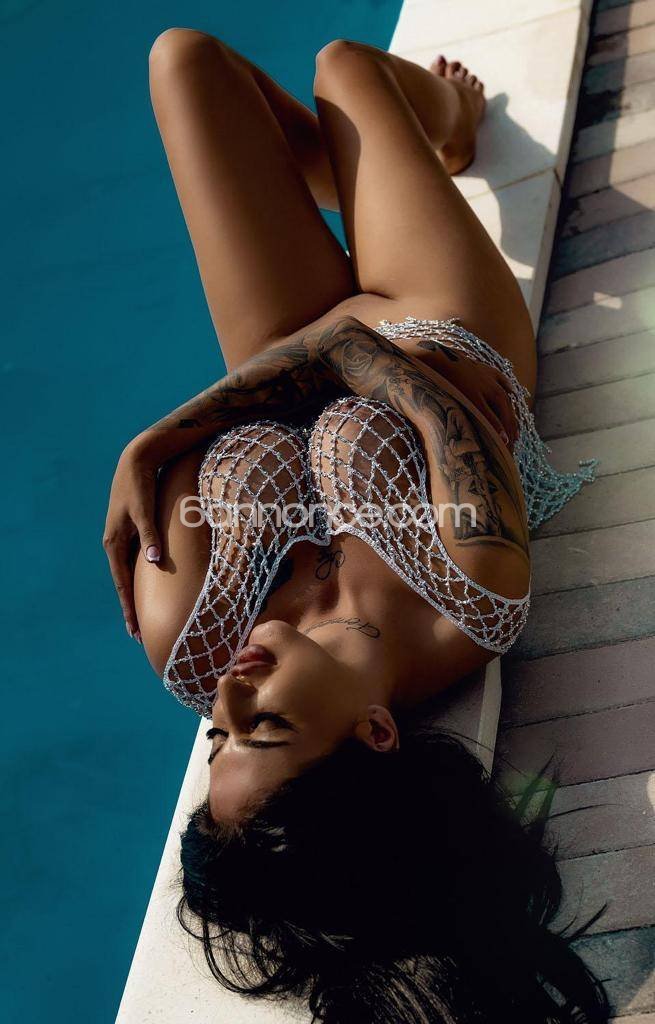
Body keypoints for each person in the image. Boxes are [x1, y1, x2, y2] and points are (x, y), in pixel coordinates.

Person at [103, 30, 605, 1023]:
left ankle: (363, 165)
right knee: (346, 65)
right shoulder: (472, 594)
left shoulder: (194, 639)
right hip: (436, 319)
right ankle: (450, 129)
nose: (227, 691)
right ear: (376, 732)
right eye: (267, 724)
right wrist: (164, 434)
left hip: (284, 345)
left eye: (217, 737)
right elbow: (363, 354)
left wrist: (287, 376)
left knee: (185, 63)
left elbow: (340, 355)